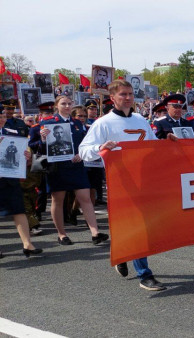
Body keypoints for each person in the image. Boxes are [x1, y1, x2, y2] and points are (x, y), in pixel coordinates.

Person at [79, 79, 172, 291]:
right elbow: (83, 150)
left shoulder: (140, 119)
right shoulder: (103, 123)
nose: (128, 97)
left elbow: (152, 146)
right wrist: (101, 147)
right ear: (113, 98)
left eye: (130, 94)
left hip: (144, 179)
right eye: (123, 94)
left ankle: (123, 251)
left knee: (142, 226)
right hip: (120, 182)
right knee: (138, 227)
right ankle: (144, 274)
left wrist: (168, 142)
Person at [39, 95, 109, 246]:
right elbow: (40, 148)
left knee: (85, 198)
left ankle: (95, 232)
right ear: (57, 106)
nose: (67, 106)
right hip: (57, 167)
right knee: (58, 200)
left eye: (69, 104)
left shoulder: (77, 123)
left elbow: (85, 142)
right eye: (63, 103)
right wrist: (43, 139)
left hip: (76, 165)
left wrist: (80, 154)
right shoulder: (48, 123)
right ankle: (62, 234)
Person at [0, 111, 43, 259]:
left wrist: (26, 155)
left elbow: (24, 150)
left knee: (18, 209)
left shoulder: (11, 132)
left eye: (3, 116)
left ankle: (27, 244)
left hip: (9, 176)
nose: (1, 119)